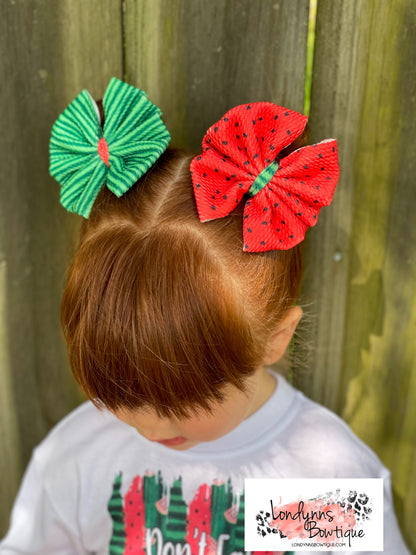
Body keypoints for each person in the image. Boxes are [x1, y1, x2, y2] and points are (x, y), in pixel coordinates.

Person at [0, 78, 410, 555]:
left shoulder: (315, 472)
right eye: (120, 393)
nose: (150, 428)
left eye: (182, 399)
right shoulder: (81, 460)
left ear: (274, 340)